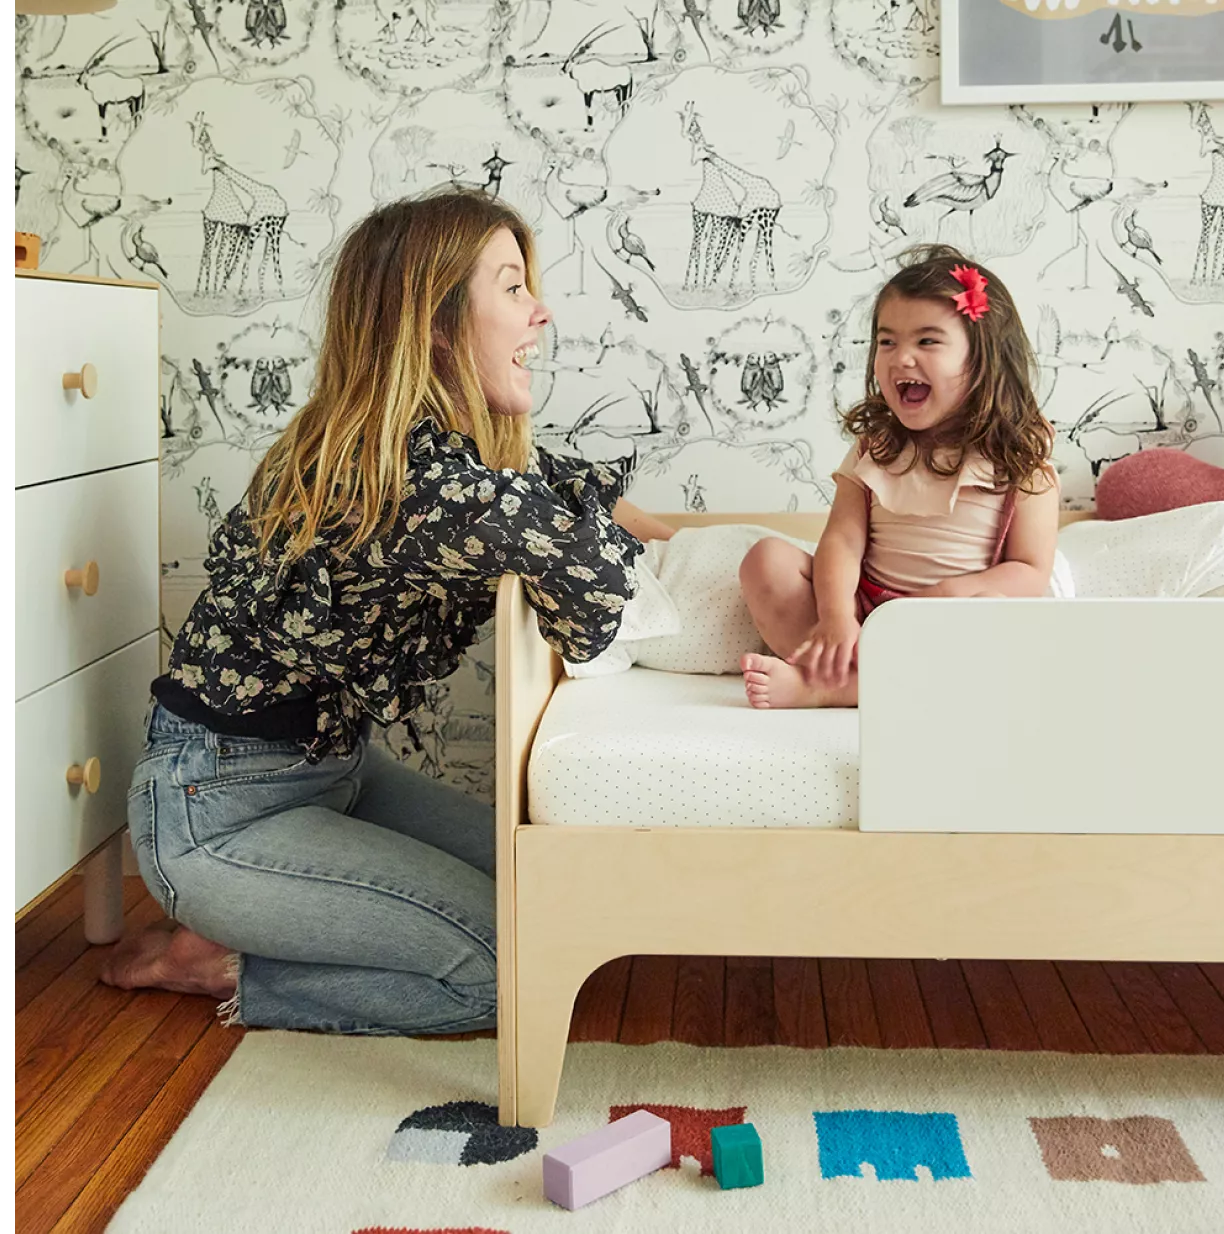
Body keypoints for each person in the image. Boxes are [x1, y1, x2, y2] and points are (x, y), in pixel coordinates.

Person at [101, 189, 676, 1034]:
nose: (541, 311)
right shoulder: (415, 481)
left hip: (335, 775)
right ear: (435, 323)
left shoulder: (446, 456)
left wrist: (735, 554)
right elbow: (592, 587)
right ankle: (217, 962)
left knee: (551, 903)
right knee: (503, 977)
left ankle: (275, 919)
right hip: (217, 807)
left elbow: (580, 496)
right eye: (512, 287)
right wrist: (756, 589)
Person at [739, 244, 1059, 710]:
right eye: (887, 342)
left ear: (983, 358)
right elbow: (842, 540)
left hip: (948, 621)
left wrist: (950, 595)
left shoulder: (1020, 458)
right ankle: (840, 666)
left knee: (1000, 635)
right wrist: (836, 616)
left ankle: (830, 689)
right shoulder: (877, 447)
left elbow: (1030, 571)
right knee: (765, 560)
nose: (901, 358)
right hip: (865, 607)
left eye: (927, 342)